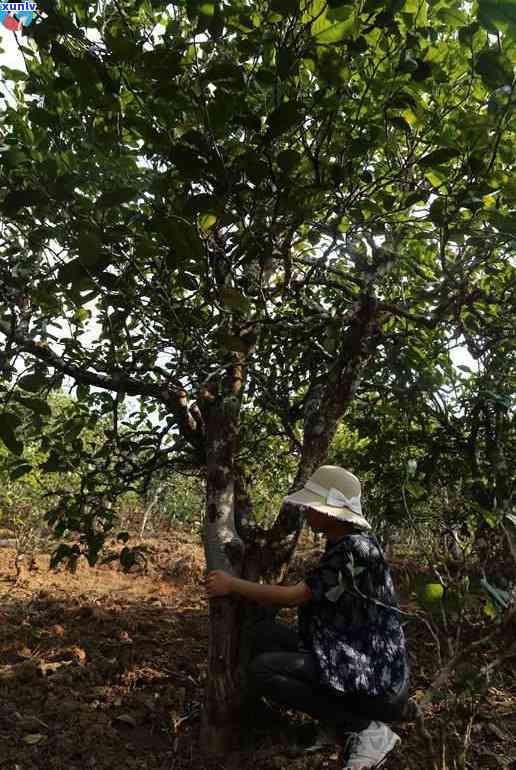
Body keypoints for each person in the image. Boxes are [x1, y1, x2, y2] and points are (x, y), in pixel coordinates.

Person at [206, 465, 410, 770]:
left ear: (331, 512)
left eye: (312, 506)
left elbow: (294, 597)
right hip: (349, 654)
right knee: (263, 634)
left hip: (375, 679)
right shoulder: (347, 542)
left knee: (264, 670)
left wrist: (231, 584)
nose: (305, 511)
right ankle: (334, 719)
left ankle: (365, 727)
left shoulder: (353, 549)